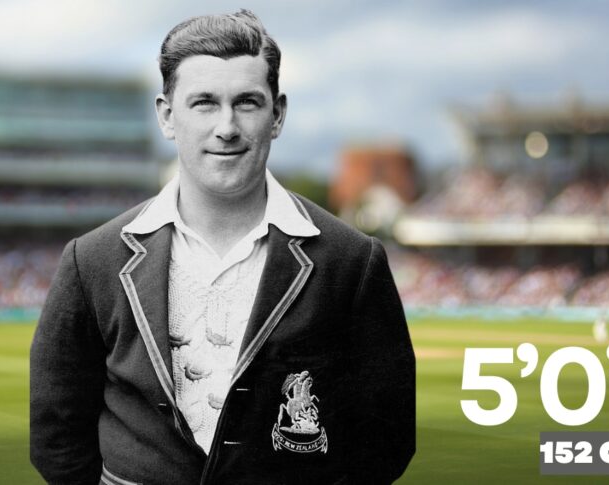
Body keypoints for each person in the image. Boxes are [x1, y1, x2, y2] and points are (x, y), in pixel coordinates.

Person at [30, 9, 415, 485]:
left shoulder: (352, 261)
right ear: (167, 116)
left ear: (277, 115)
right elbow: (57, 435)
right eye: (204, 103)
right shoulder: (91, 260)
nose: (227, 126)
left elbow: (387, 438)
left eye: (247, 102)